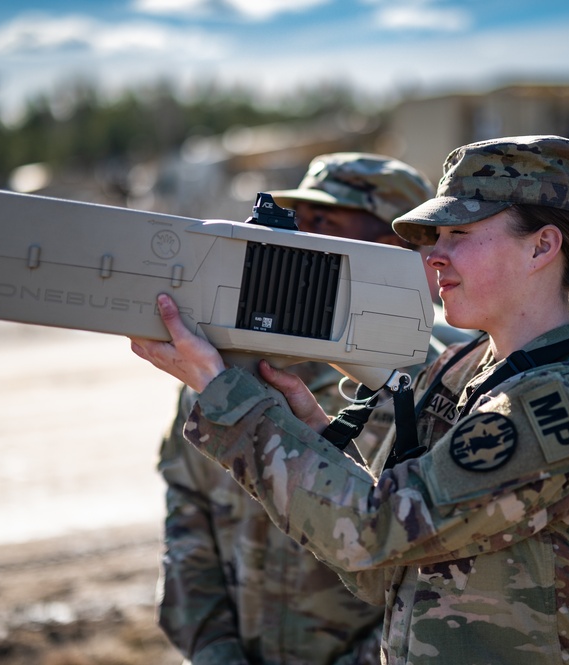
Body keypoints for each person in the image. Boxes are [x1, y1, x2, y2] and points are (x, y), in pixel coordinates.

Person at [133, 135, 569, 664]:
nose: (434, 256)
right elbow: (384, 567)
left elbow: (374, 530)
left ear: (542, 246)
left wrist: (228, 399)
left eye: (459, 232)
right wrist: (315, 432)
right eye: (434, 236)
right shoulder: (466, 374)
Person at [156, 152, 436, 665]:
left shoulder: (429, 385)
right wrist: (214, 650)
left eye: (325, 226)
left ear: (399, 252)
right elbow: (187, 509)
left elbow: (431, 570)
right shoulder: (225, 367)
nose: (296, 246)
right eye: (295, 225)